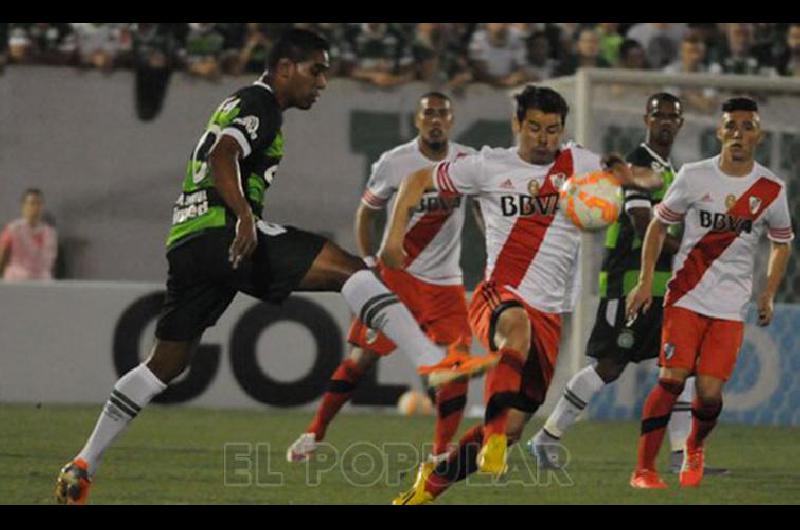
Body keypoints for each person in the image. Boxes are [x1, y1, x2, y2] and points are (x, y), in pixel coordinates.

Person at [54, 29, 494, 505]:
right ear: (285, 67)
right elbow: (225, 153)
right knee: (352, 270)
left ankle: (82, 465)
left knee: (165, 364)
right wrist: (244, 216)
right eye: (316, 69)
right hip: (225, 231)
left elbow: (220, 149)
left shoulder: (243, 104)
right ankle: (433, 361)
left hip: (187, 239)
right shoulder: (259, 102)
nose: (323, 81)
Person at [384, 85, 660, 504]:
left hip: (552, 313)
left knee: (515, 427)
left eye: (552, 129)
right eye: (534, 128)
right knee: (517, 330)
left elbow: (650, 178)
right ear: (517, 125)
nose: (543, 138)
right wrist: (393, 238)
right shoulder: (487, 166)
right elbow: (417, 179)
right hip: (500, 294)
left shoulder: (581, 162)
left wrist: (629, 176)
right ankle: (492, 433)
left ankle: (430, 487)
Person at [528, 93, 728, 476]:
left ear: (681, 124)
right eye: (659, 116)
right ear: (646, 120)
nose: (666, 122)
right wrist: (691, 251)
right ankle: (547, 437)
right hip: (629, 283)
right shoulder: (637, 166)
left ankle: (678, 457)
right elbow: (641, 225)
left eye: (673, 117)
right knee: (610, 365)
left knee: (680, 367)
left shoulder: (668, 170)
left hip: (665, 286)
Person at [287, 92, 483, 469]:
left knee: (458, 364)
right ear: (417, 121)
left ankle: (441, 451)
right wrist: (369, 263)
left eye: (443, 114)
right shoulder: (395, 162)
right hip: (399, 278)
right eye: (429, 114)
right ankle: (315, 432)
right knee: (361, 360)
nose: (436, 120)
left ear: (452, 120)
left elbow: (479, 209)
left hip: (445, 285)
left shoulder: (468, 161)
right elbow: (366, 214)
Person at [627, 97, 793, 489]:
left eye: (747, 126)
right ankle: (644, 469)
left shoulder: (771, 188)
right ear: (719, 132)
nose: (738, 133)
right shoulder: (693, 175)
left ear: (759, 135)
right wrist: (645, 280)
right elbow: (657, 226)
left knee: (709, 393)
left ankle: (695, 446)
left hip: (731, 305)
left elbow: (782, 242)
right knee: (671, 379)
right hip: (685, 295)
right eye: (731, 126)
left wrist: (767, 294)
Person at [0, 188, 58, 281]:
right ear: (23, 206)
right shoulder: (13, 230)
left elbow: (51, 263)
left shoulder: (50, 233)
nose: (35, 208)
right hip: (17, 281)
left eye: (39, 203)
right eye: (32, 203)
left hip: (43, 281)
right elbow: (1, 257)